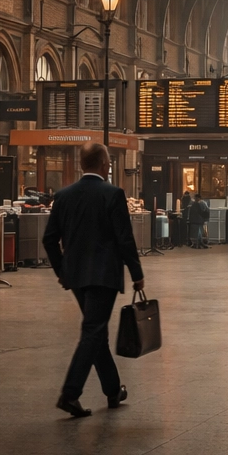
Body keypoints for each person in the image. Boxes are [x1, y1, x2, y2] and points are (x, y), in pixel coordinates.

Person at [42, 142, 146, 418]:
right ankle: (70, 393)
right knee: (93, 331)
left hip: (75, 276)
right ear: (103, 164)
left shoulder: (63, 196)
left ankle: (113, 390)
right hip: (104, 274)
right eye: (109, 161)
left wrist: (62, 270)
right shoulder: (113, 194)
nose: (110, 165)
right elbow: (124, 239)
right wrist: (137, 274)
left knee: (95, 330)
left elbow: (49, 239)